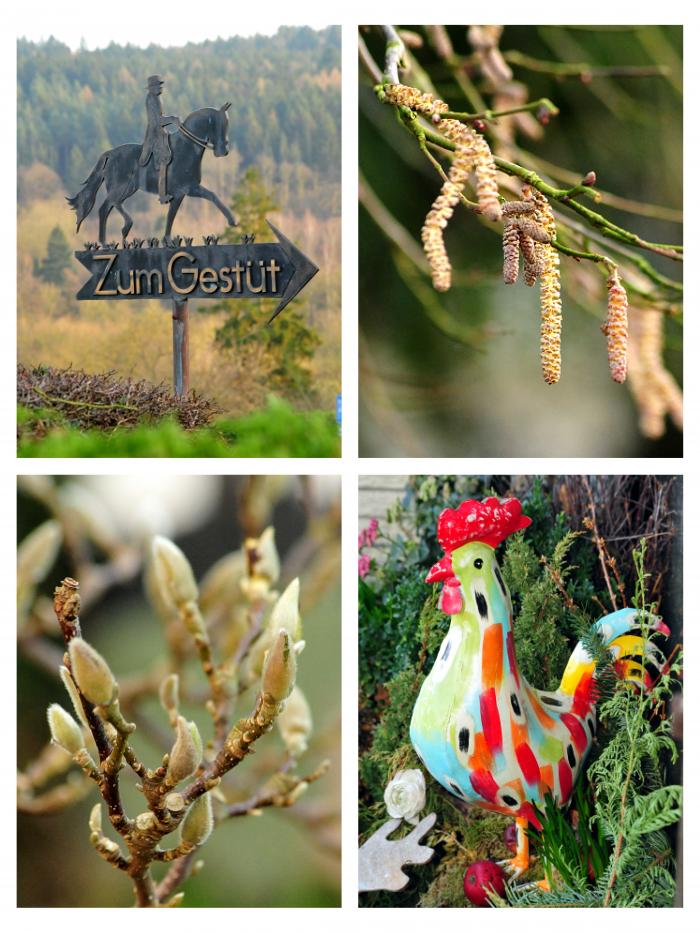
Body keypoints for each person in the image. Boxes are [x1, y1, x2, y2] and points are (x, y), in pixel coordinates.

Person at [139, 75, 178, 204]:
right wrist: (172, 119)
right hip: (154, 133)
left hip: (161, 131)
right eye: (158, 85)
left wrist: (171, 119)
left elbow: (161, 117)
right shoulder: (150, 100)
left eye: (161, 85)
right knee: (163, 159)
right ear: (151, 88)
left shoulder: (157, 98)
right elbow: (156, 120)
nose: (160, 87)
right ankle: (162, 195)